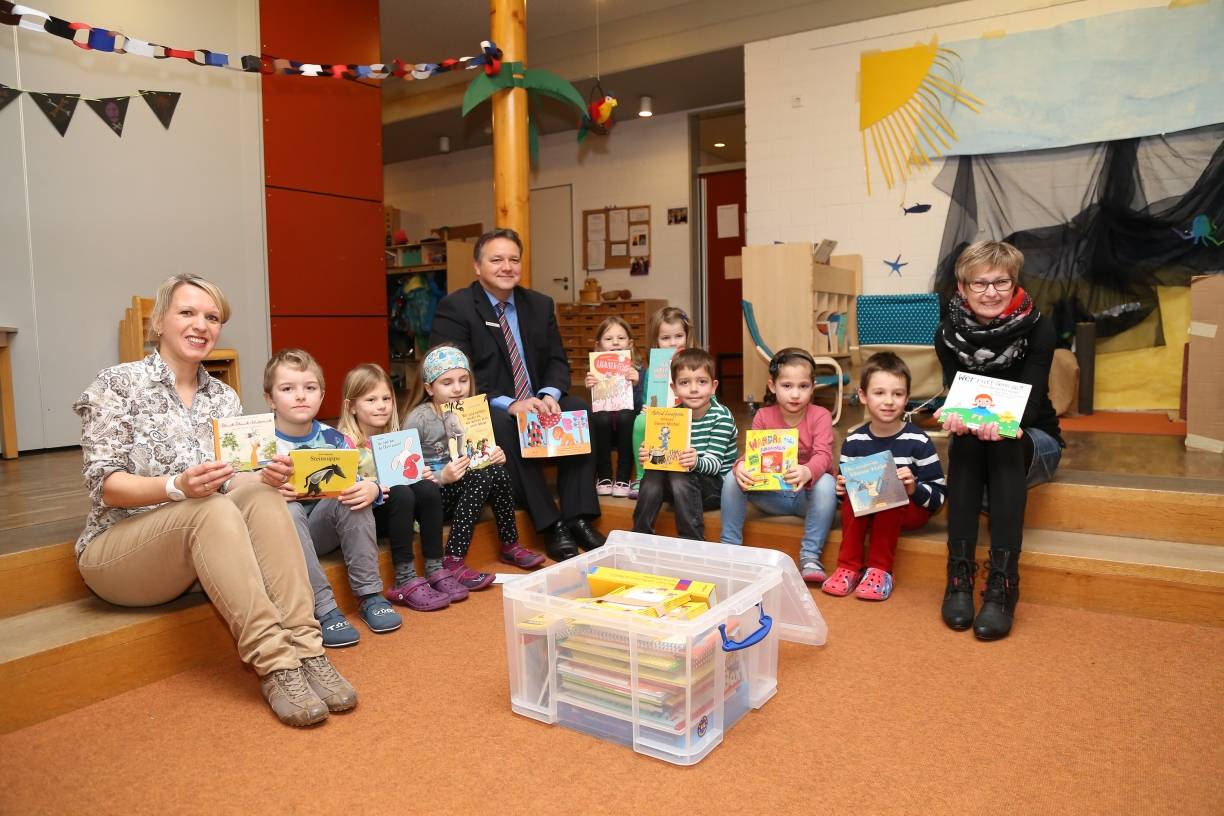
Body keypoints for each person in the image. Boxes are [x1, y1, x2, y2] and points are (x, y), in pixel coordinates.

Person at [73, 274, 354, 727]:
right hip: (117, 550)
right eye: (187, 313)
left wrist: (263, 476)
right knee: (209, 508)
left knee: (263, 496)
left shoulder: (223, 398)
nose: (201, 324)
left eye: (212, 317)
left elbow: (230, 482)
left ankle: (307, 648)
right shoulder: (117, 383)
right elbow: (105, 485)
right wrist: (176, 486)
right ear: (160, 321)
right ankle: (275, 663)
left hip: (199, 542)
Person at [430, 228, 605, 562]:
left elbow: (557, 360)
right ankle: (551, 524)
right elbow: (456, 373)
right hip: (487, 402)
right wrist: (512, 404)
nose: (507, 266)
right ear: (477, 267)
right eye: (496, 259)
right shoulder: (456, 308)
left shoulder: (539, 304)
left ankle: (579, 517)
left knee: (577, 408)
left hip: (537, 396)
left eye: (514, 259)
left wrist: (549, 394)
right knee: (500, 425)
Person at [935, 240, 1064, 639]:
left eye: (1001, 282)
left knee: (1000, 438)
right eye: (980, 284)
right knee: (970, 440)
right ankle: (959, 576)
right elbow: (958, 394)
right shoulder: (947, 335)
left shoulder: (1039, 326)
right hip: (980, 441)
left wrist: (998, 423)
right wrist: (951, 413)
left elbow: (1028, 405)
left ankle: (1004, 584)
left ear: (1014, 284)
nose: (991, 292)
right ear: (962, 288)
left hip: (1034, 439)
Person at [264, 349, 405, 648]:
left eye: (310, 388)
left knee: (353, 495)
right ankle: (324, 607)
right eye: (288, 389)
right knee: (288, 510)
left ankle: (369, 595)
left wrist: (374, 489)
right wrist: (269, 490)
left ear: (322, 394)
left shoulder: (335, 439)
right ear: (270, 399)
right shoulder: (261, 442)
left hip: (318, 531)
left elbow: (357, 484)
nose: (301, 396)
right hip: (277, 538)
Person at [403, 345, 544, 581]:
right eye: (446, 383)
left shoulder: (471, 411)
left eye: (463, 380)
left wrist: (494, 455)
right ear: (429, 388)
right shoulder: (419, 418)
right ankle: (454, 559)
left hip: (466, 490)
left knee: (497, 471)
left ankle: (510, 544)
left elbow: (477, 456)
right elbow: (404, 475)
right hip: (431, 499)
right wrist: (441, 477)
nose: (458, 388)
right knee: (481, 476)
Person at [822, 352, 946, 601]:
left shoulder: (919, 441)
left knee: (889, 491)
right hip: (867, 510)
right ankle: (848, 567)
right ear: (863, 396)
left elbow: (939, 499)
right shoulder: (854, 442)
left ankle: (880, 570)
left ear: (907, 398)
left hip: (909, 510)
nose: (889, 401)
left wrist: (913, 488)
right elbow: (844, 499)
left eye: (897, 394)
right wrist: (841, 490)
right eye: (879, 393)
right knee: (859, 496)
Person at [336, 363, 453, 613]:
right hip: (367, 519)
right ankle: (405, 578)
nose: (381, 405)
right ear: (351, 406)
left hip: (399, 512)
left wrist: (420, 473)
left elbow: (409, 478)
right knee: (400, 492)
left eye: (386, 398)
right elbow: (344, 491)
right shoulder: (343, 443)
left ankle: (435, 567)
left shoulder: (397, 438)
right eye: (371, 399)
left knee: (427, 488)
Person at [720, 347, 837, 584]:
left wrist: (807, 470)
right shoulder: (763, 416)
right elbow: (751, 455)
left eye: (803, 386)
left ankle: (810, 557)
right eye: (787, 386)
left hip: (808, 498)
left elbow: (824, 456)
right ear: (773, 386)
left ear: (813, 387)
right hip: (772, 497)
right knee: (734, 477)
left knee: (826, 481)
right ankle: (729, 549)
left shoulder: (821, 415)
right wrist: (741, 466)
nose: (795, 394)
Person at [632, 347, 738, 540]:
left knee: (681, 474)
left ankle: (693, 540)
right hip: (678, 486)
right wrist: (649, 456)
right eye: (684, 382)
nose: (694, 389)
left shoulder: (721, 417)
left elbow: (715, 465)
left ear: (713, 386)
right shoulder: (672, 415)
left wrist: (695, 461)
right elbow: (665, 457)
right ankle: (640, 536)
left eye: (702, 382)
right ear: (674, 388)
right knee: (653, 473)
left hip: (714, 489)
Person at [629, 306, 691, 498]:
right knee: (640, 421)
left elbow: (708, 397)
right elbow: (650, 396)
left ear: (687, 336)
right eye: (665, 338)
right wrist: (647, 406)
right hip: (661, 416)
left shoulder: (697, 363)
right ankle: (642, 476)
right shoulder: (653, 368)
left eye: (679, 336)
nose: (673, 343)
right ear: (656, 341)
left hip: (689, 416)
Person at [585, 316, 643, 498]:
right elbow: (597, 405)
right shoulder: (595, 371)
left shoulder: (639, 371)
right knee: (599, 417)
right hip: (604, 429)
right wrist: (591, 386)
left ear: (630, 343)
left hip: (627, 429)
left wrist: (636, 384)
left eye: (621, 338)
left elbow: (643, 406)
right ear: (599, 345)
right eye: (609, 339)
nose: (615, 343)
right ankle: (604, 476)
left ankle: (624, 478)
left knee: (627, 415)